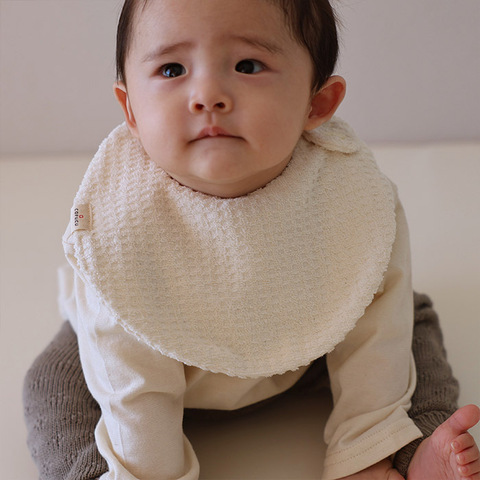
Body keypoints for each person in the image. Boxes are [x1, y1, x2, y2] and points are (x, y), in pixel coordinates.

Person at [23, 1, 480, 479]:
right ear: (130, 109)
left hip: (304, 353)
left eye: (247, 65)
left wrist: (369, 450)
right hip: (163, 360)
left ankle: (411, 447)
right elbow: (128, 380)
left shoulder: (350, 196)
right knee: (55, 382)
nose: (207, 96)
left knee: (408, 318)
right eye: (172, 69)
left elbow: (376, 333)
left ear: (317, 103)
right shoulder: (121, 220)